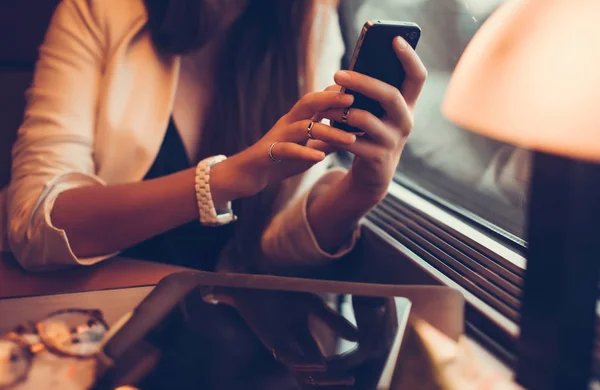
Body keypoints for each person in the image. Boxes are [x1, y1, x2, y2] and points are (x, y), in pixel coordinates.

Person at [4, 0, 427, 272]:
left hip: (223, 335)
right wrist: (227, 178)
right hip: (98, 321)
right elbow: (35, 224)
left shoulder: (307, 22)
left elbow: (272, 245)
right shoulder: (97, 10)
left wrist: (360, 191)